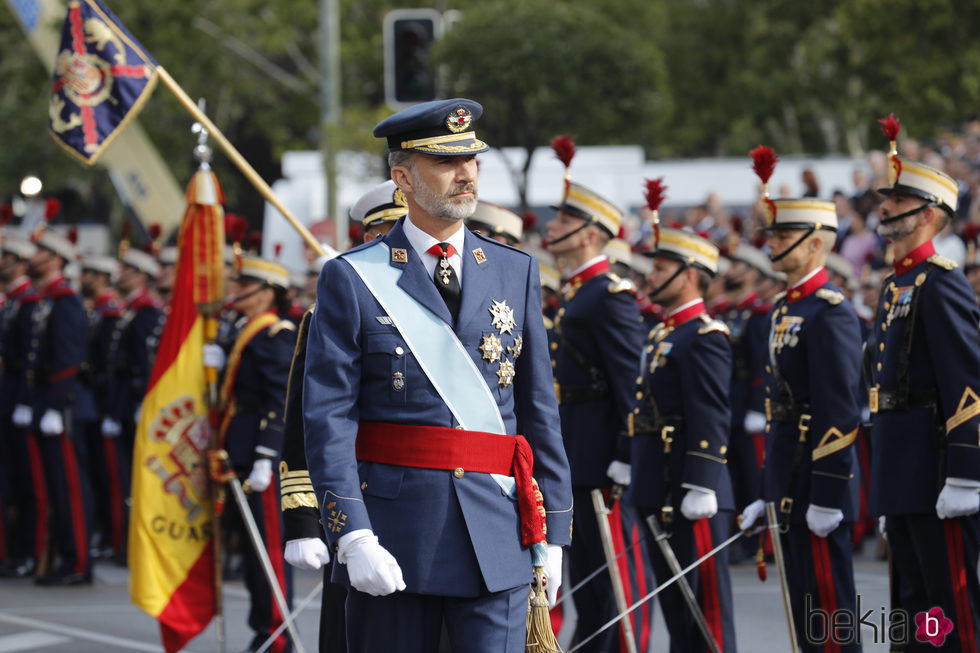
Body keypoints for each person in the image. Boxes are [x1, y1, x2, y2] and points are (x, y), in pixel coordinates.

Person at [303, 98, 572, 653]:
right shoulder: (353, 277)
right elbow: (329, 417)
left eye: (472, 161)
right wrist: (352, 534)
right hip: (395, 534)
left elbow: (538, 409)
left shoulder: (513, 269)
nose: (466, 174)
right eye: (446, 163)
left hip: (497, 532)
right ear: (402, 177)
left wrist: (556, 530)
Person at [279, 182, 407, 652]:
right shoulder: (330, 310)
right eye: (385, 233)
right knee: (354, 630)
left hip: (436, 496)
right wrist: (302, 518)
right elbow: (308, 419)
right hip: (358, 493)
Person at [739, 196, 863, 653]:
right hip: (789, 481)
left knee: (829, 616)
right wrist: (767, 493)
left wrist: (828, 496)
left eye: (784, 236)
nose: (772, 243)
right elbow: (782, 411)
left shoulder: (829, 312)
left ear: (815, 245)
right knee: (803, 613)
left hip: (817, 485)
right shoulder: (785, 308)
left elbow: (839, 410)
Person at [868, 155, 979, 651]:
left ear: (930, 213)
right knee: (912, 616)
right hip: (903, 473)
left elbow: (968, 382)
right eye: (887, 199)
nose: (886, 208)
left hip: (937, 476)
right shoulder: (895, 284)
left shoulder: (942, 281)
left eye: (899, 201)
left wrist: (965, 474)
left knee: (950, 614)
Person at [545, 177, 650, 653]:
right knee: (590, 584)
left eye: (565, 219)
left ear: (591, 233)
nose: (554, 226)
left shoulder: (609, 295)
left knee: (615, 586)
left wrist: (627, 453)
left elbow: (632, 384)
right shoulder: (580, 292)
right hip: (580, 456)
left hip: (604, 457)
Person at [627, 226, 737, 652]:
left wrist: (703, 481)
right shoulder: (663, 335)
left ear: (690, 275)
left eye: (660, 268)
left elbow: (710, 413)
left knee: (705, 614)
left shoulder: (705, 336)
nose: (649, 277)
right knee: (678, 612)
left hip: (690, 488)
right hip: (661, 484)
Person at [211, 255, 297, 653]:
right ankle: (262, 626)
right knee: (249, 549)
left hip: (260, 454)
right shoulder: (242, 331)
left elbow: (280, 397)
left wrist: (267, 452)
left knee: (267, 548)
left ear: (265, 293)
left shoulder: (274, 334)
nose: (234, 289)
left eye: (243, 283)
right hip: (238, 449)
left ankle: (277, 633)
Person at [26, 229, 94, 586]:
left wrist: (54, 404)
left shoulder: (65, 301)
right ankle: (67, 557)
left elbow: (69, 359)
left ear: (55, 259)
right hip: (48, 403)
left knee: (69, 487)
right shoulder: (49, 298)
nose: (31, 256)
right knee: (55, 486)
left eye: (39, 251)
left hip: (64, 407)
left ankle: (79, 561)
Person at [0, 233, 45, 578]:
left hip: (18, 396)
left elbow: (33, 359)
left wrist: (27, 402)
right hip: (8, 393)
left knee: (26, 481)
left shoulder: (29, 303)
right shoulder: (14, 302)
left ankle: (28, 551)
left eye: (6, 257)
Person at [78, 255, 125, 558]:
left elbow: (113, 367)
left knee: (113, 478)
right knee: (100, 475)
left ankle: (115, 538)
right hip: (97, 402)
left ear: (102, 277)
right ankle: (107, 534)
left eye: (89, 274)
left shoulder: (110, 313)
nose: (83, 278)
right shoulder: (98, 311)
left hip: (109, 405)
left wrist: (113, 410)